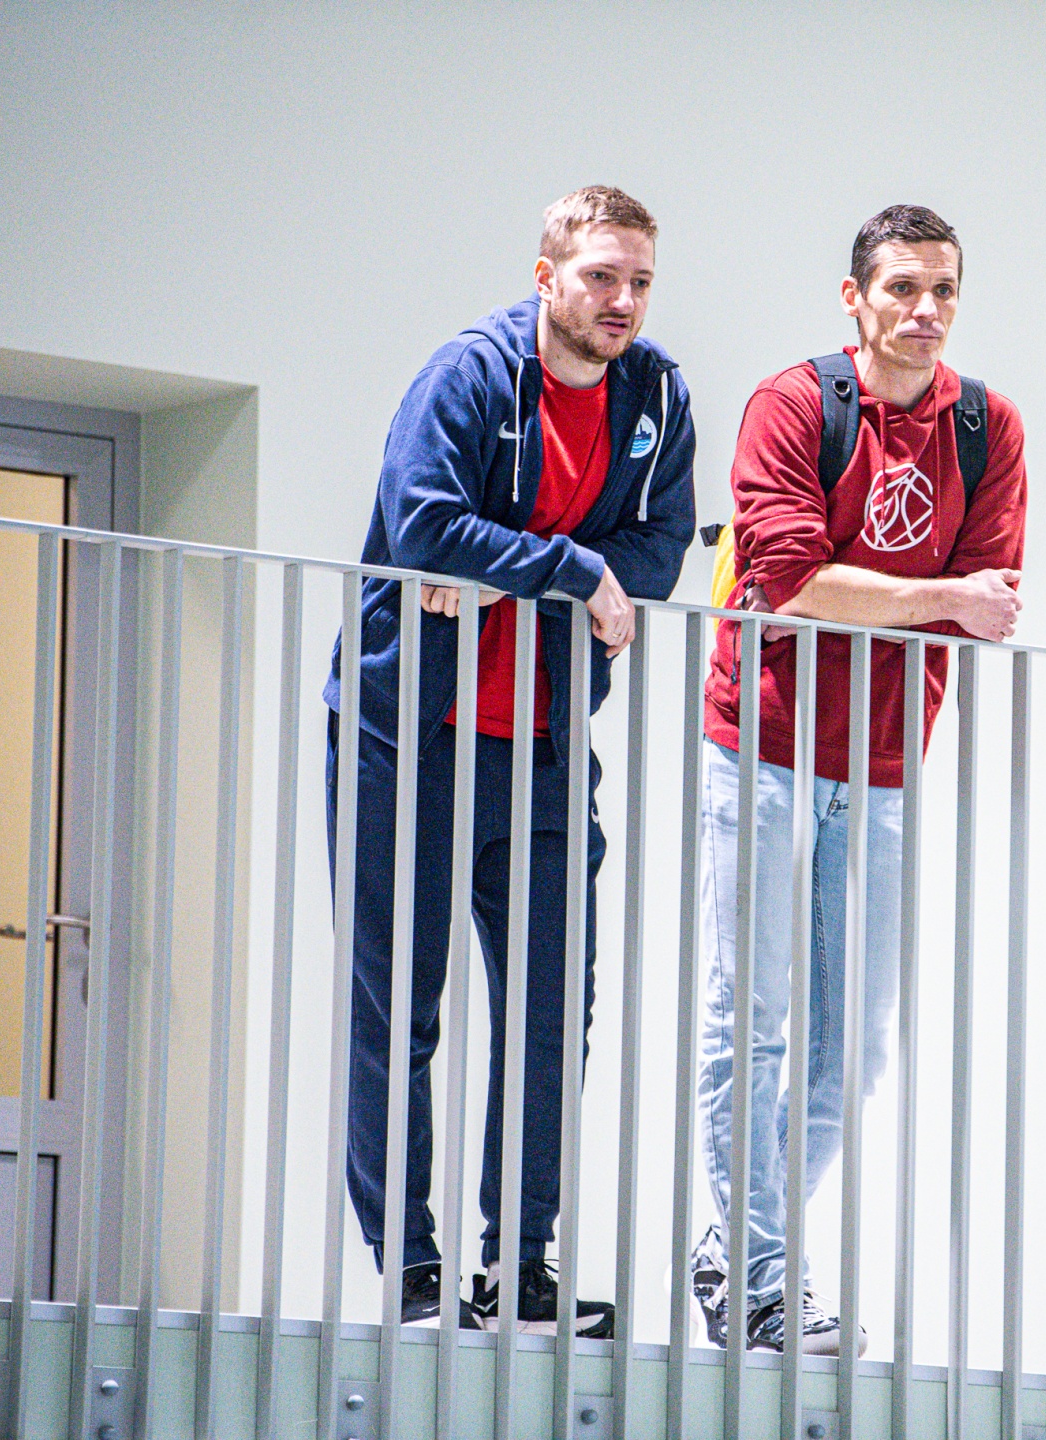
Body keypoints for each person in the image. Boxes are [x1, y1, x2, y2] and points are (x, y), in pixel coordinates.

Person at [322, 185, 696, 1332]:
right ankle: (411, 1267)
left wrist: (510, 570)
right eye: (600, 276)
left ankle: (519, 1266)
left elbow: (661, 550)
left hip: (542, 745)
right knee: (400, 1008)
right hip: (408, 736)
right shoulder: (470, 376)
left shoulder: (657, 396)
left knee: (550, 1014)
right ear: (547, 276)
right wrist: (573, 572)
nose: (622, 300)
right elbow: (424, 522)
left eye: (639, 281)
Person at [692, 204, 1027, 1353]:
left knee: (855, 1048)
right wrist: (934, 595)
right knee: (752, 1019)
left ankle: (739, 1249)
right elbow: (788, 582)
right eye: (902, 289)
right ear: (856, 298)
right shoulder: (793, 405)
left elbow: (992, 605)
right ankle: (762, 1283)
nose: (925, 311)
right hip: (763, 741)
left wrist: (906, 597)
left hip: (884, 763)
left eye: (943, 291)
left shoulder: (985, 426)